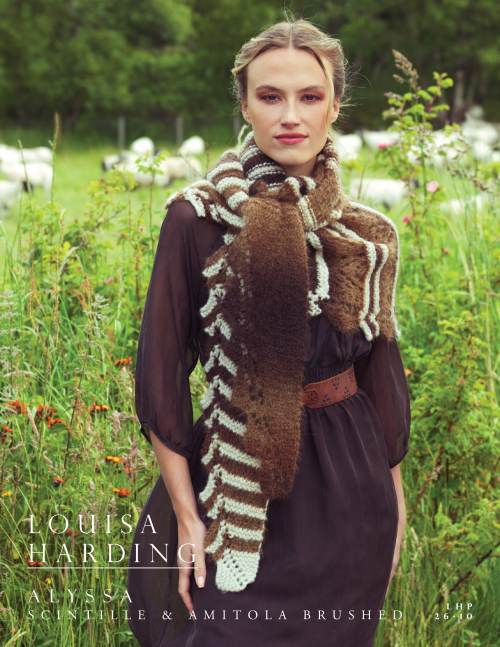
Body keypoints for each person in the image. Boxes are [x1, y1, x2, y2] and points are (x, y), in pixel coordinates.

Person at [127, 17, 411, 647]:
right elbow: (161, 379)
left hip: (350, 493)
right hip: (237, 481)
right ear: (245, 105)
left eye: (309, 96)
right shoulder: (195, 220)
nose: (290, 115)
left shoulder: (365, 235)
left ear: (334, 106)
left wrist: (393, 508)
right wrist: (186, 516)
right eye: (270, 96)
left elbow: (382, 383)